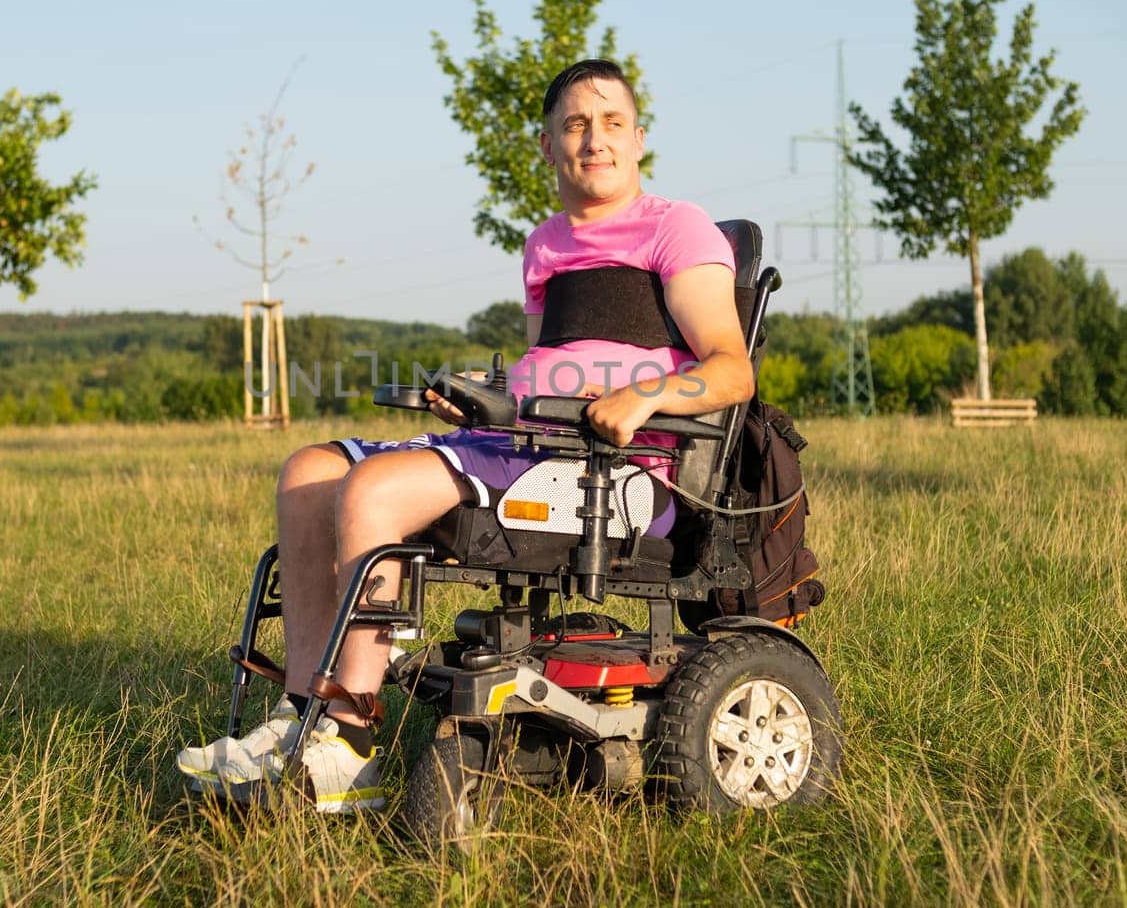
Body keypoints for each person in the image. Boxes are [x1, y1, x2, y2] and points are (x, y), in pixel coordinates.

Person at [176, 59, 755, 812]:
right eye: (575, 124)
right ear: (546, 145)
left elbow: (731, 371)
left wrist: (645, 396)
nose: (595, 139)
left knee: (374, 491)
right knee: (307, 471)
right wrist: (484, 403)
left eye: (613, 122)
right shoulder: (545, 243)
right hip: (530, 445)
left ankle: (349, 745)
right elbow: (549, 368)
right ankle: (300, 718)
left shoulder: (676, 226)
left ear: (639, 138)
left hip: (620, 472)